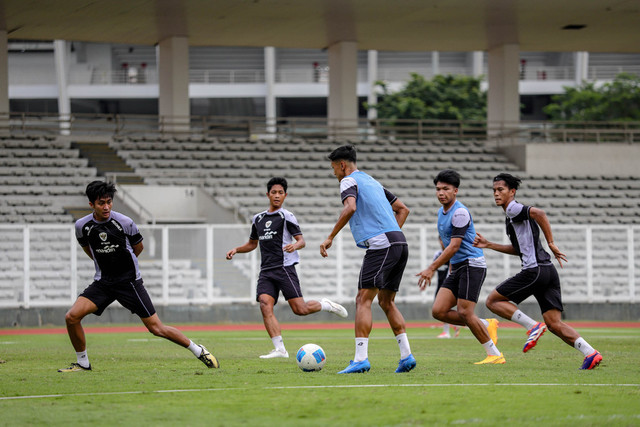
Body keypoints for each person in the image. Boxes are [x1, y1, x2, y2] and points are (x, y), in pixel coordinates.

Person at [59, 181, 218, 372]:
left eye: (109, 202)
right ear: (91, 204)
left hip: (129, 283)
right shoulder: (82, 226)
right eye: (102, 203)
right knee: (72, 317)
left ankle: (198, 350)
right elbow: (89, 249)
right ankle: (83, 363)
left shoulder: (125, 222)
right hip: (103, 283)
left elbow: (138, 248)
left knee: (156, 328)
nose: (107, 206)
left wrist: (122, 268)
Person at [473, 173, 602, 370]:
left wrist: (551, 243)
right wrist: (489, 244)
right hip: (547, 271)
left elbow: (540, 213)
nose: (496, 194)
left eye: (501, 190)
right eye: (494, 190)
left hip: (534, 271)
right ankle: (590, 353)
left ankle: (532, 326)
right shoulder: (513, 216)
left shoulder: (513, 208)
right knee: (554, 323)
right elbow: (519, 249)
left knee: (493, 301)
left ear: (512, 192)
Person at [226, 177, 348, 359]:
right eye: (273, 192)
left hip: (284, 268)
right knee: (265, 304)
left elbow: (302, 241)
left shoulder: (286, 216)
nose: (276, 196)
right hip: (266, 270)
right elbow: (252, 244)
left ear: (285, 195)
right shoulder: (257, 219)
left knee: (300, 310)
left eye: (280, 193)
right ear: (267, 194)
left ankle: (325, 305)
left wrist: (295, 246)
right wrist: (237, 249)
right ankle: (280, 349)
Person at [319, 145, 416, 374]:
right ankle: (406, 356)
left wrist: (330, 236)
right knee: (386, 301)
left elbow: (350, 207)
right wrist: (391, 233)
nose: (334, 173)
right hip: (400, 243)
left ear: (342, 165)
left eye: (334, 168)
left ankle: (360, 359)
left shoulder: (348, 181)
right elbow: (403, 209)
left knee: (362, 299)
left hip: (383, 245)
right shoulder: (372, 181)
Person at [416, 169, 503, 365]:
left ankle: (495, 354)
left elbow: (455, 245)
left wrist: (431, 268)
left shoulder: (460, 212)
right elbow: (447, 245)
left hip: (472, 265)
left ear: (456, 190)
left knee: (465, 312)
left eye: (445, 189)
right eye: (438, 189)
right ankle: (484, 324)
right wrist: (450, 268)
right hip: (456, 266)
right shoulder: (441, 212)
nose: (440, 193)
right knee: (438, 311)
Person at [433, 239, 460, 339]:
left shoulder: (451, 253)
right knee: (440, 309)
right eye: (440, 240)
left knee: (444, 308)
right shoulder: (437, 254)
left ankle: (448, 330)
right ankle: (452, 327)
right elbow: (433, 268)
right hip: (440, 285)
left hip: (449, 285)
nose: (442, 242)